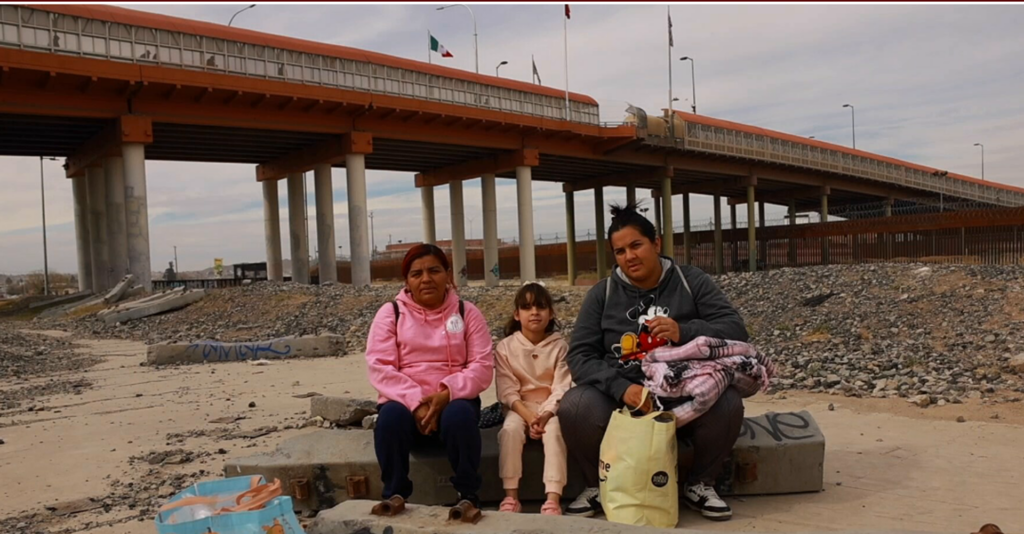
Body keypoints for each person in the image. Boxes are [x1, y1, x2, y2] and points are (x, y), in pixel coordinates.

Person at [558, 202, 749, 521]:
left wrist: (683, 331)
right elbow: (580, 356)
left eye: (636, 245)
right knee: (575, 406)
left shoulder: (691, 281)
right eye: (619, 251)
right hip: (623, 399)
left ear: (656, 243)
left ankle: (700, 483)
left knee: (728, 402)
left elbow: (735, 329)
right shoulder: (602, 294)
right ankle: (597, 484)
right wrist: (621, 388)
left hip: (685, 393)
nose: (629, 256)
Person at [365, 244, 494, 508]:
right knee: (389, 420)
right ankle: (395, 494)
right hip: (404, 401)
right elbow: (380, 366)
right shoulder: (390, 313)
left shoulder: (466, 312)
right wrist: (416, 402)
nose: (426, 279)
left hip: (454, 399)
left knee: (459, 417)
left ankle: (467, 496)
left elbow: (482, 366)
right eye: (416, 274)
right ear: (407, 281)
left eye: (434, 271)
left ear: (448, 274)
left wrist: (447, 393)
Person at [494, 282, 571, 516]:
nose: (534, 312)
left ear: (551, 313)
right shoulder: (505, 347)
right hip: (518, 407)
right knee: (509, 432)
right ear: (517, 314)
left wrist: (546, 414)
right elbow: (507, 390)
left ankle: (553, 498)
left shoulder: (560, 346)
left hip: (551, 409)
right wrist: (527, 416)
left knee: (555, 433)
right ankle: (511, 496)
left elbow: (561, 386)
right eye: (527, 307)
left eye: (540, 306)